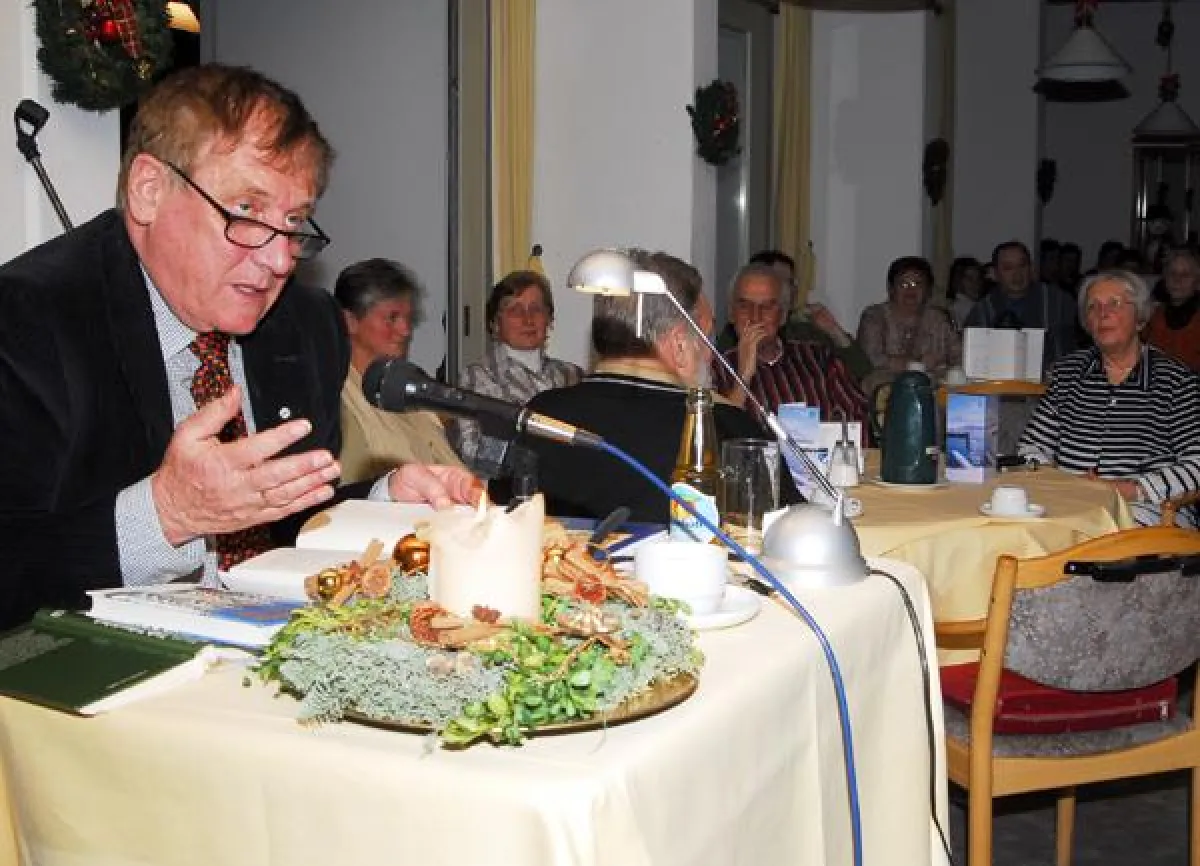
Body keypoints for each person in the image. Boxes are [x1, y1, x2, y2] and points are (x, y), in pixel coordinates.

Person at [0, 64, 480, 629]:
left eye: (294, 222)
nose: (279, 260)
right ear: (149, 190)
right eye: (247, 212)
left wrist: (379, 505)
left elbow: (282, 526)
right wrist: (166, 515)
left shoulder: (305, 325)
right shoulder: (28, 319)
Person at [524, 250, 800, 523]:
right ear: (680, 344)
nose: (710, 354)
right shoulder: (728, 432)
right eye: (705, 337)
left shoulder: (540, 418)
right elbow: (796, 538)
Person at [1019, 270, 1200, 527]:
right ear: (1086, 322)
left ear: (1139, 317)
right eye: (1093, 307)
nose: (1102, 313)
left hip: (1147, 509)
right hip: (1071, 504)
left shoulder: (1175, 380)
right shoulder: (1068, 374)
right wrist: (1060, 481)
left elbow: (1196, 463)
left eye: (1114, 304)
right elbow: (1030, 448)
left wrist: (1131, 489)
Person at [335, 258, 466, 482]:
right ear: (350, 321)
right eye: (392, 318)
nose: (405, 330)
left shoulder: (409, 386)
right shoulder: (338, 395)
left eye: (409, 319)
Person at [450, 270, 583, 477]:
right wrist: (530, 458)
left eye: (536, 309)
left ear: (549, 319)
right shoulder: (476, 377)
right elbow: (470, 451)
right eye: (515, 310)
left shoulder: (572, 375)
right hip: (506, 496)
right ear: (495, 323)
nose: (527, 319)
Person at [713, 262, 869, 422]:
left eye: (767, 307)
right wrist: (743, 377)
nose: (755, 317)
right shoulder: (716, 370)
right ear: (732, 314)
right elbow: (716, 431)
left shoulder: (819, 359)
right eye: (745, 306)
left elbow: (857, 415)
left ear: (782, 316)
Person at [715, 249, 872, 382]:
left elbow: (862, 374)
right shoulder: (736, 335)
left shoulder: (807, 331)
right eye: (780, 281)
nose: (790, 289)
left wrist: (834, 330)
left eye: (790, 282)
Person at [964, 240, 1078, 373]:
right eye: (1008, 268)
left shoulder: (1058, 302)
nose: (1017, 274)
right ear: (995, 274)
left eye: (1022, 265)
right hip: (997, 386)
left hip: (1054, 385)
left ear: (1031, 268)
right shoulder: (982, 311)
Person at [856, 256, 961, 385]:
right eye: (903, 284)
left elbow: (959, 357)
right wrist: (916, 363)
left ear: (928, 290)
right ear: (891, 289)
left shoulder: (938, 319)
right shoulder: (874, 317)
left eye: (917, 284)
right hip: (886, 388)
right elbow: (870, 359)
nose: (911, 290)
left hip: (931, 385)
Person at [1142, 246, 1200, 372]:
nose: (1177, 280)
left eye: (1185, 274)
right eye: (1172, 273)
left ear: (1197, 281)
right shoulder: (1151, 316)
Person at [946, 256, 985, 330]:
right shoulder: (966, 307)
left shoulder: (975, 305)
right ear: (957, 280)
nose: (976, 283)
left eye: (978, 278)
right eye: (969, 279)